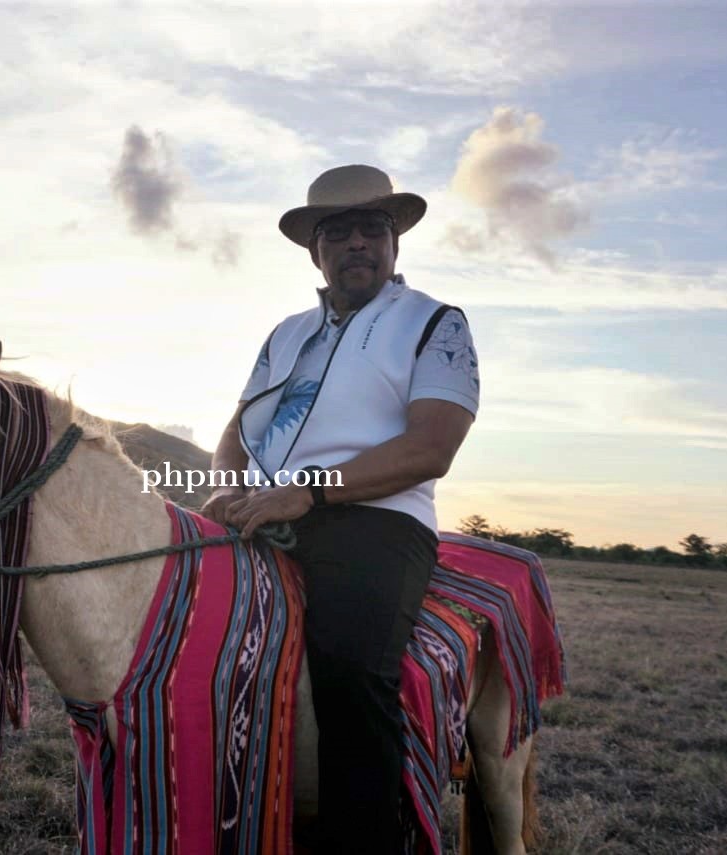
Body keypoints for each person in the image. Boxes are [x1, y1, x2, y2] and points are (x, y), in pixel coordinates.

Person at [200, 164, 480, 852]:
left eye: (372, 228)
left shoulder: (435, 324)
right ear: (315, 249)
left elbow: (431, 445)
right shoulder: (285, 332)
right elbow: (237, 429)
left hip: (377, 518)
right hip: (268, 508)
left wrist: (312, 488)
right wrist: (224, 486)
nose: (358, 242)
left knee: (353, 669)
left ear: (394, 243)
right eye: (340, 231)